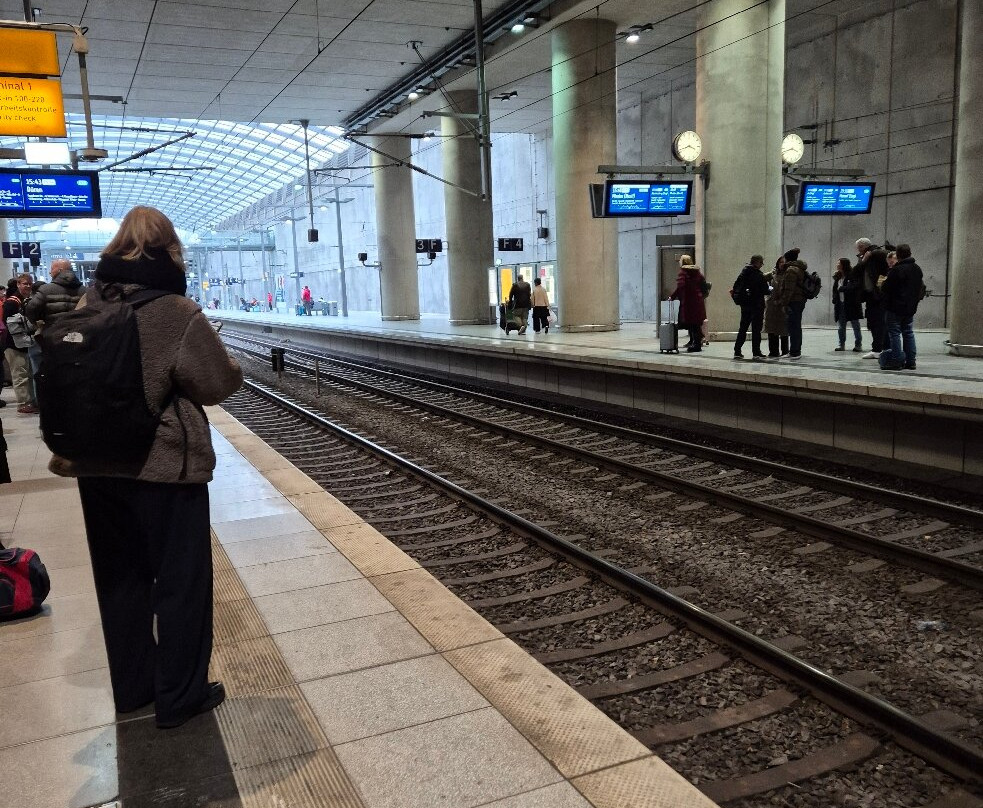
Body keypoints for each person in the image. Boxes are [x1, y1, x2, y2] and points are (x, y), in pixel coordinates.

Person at [48, 205, 242, 729]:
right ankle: (181, 696)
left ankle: (132, 689)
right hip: (163, 472)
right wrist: (232, 368)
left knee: (121, 581)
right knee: (180, 583)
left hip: (95, 466)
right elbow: (215, 384)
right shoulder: (176, 310)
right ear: (170, 248)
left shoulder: (89, 300)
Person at [879, 243, 923, 370]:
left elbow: (887, 288)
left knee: (895, 333)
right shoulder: (917, 269)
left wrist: (883, 284)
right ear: (910, 253)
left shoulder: (897, 270)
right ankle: (911, 361)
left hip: (895, 308)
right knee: (908, 333)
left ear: (898, 255)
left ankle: (897, 361)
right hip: (910, 308)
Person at [3, 275, 39, 414]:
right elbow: (11, 324)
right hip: (13, 344)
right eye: (25, 284)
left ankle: (29, 402)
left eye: (30, 284)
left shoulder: (26, 300)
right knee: (20, 374)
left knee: (27, 374)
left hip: (24, 343)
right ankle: (23, 403)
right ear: (18, 284)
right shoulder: (12, 302)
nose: (28, 286)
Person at [731, 254, 769, 359]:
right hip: (756, 305)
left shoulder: (743, 273)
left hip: (745, 305)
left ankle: (737, 351)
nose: (762, 264)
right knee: (756, 330)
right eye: (761, 262)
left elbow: (735, 286)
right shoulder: (758, 274)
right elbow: (765, 290)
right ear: (756, 262)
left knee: (743, 328)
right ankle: (756, 352)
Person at [856, 238, 888, 358]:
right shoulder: (864, 258)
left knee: (879, 322)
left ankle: (879, 349)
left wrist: (879, 288)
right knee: (872, 323)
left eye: (859, 248)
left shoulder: (876, 253)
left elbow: (886, 259)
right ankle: (878, 348)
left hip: (877, 296)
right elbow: (856, 271)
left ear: (863, 246)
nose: (858, 251)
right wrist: (863, 260)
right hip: (869, 295)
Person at [669, 255, 707, 353]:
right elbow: (704, 286)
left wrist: (672, 297)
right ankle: (696, 342)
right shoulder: (697, 272)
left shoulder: (683, 273)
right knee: (696, 323)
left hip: (689, 302)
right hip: (698, 301)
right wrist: (701, 295)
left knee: (692, 323)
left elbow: (680, 287)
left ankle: (696, 345)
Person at [832, 258, 864, 352]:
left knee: (855, 325)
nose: (837, 264)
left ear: (843, 265)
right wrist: (834, 298)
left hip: (852, 304)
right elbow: (835, 289)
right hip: (840, 304)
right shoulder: (837, 276)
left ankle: (858, 345)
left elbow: (854, 287)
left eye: (839, 263)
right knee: (841, 326)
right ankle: (841, 345)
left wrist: (842, 288)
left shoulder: (852, 275)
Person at [782, 250, 808, 360]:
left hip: (794, 301)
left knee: (794, 326)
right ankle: (794, 350)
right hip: (799, 300)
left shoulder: (791, 270)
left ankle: (795, 352)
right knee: (795, 326)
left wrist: (784, 303)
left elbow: (789, 289)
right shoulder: (799, 268)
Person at [764, 254, 791, 358]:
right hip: (771, 306)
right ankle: (773, 352)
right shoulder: (773, 274)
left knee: (784, 330)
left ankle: (785, 351)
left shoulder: (789, 275)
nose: (782, 264)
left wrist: (781, 301)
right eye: (780, 262)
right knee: (772, 330)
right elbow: (763, 279)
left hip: (782, 306)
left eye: (784, 262)